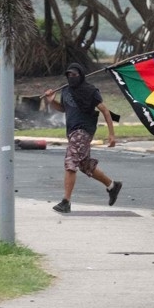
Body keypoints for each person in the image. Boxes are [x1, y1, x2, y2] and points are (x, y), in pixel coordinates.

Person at [42, 62, 123, 214]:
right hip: (72, 131)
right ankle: (112, 185)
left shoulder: (90, 91)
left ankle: (66, 202)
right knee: (84, 165)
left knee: (71, 161)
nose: (72, 78)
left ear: (81, 75)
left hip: (83, 131)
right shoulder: (65, 90)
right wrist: (51, 101)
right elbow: (64, 109)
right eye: (69, 75)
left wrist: (111, 134)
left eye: (75, 75)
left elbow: (105, 111)